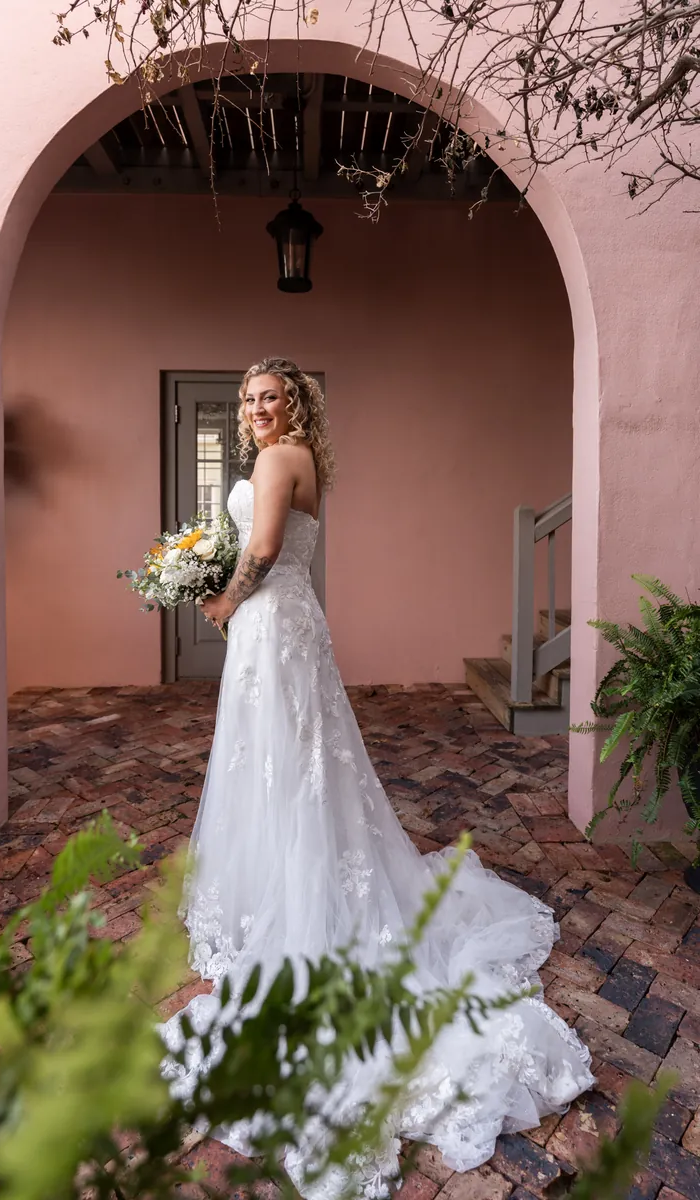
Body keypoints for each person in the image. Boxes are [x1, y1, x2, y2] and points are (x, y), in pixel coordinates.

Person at [159, 357, 593, 1198]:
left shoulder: (283, 458)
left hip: (272, 624)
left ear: (296, 405)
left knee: (290, 766)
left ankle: (304, 906)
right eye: (249, 399)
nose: (257, 409)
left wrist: (217, 603)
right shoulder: (293, 459)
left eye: (271, 397)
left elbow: (267, 548)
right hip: (275, 628)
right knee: (282, 766)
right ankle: (280, 888)